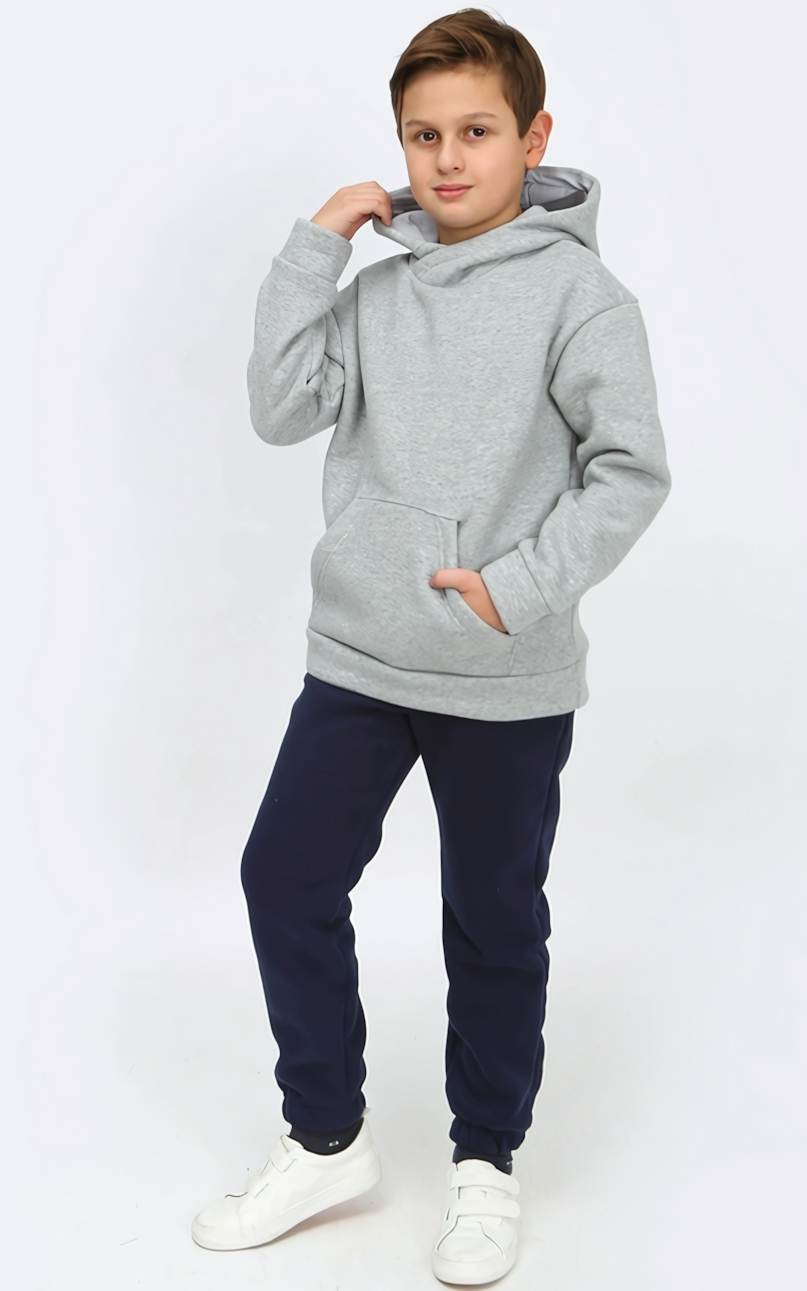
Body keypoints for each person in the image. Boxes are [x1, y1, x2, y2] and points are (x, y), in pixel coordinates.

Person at [191, 7, 670, 1284]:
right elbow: (279, 408)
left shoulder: (583, 300)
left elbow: (630, 472)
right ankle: (326, 1138)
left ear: (534, 138)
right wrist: (316, 247)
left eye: (476, 131)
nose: (448, 159)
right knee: (284, 876)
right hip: (361, 657)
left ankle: (487, 1162)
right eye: (423, 135)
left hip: (504, 674)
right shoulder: (378, 292)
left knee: (492, 921)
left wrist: (519, 588)